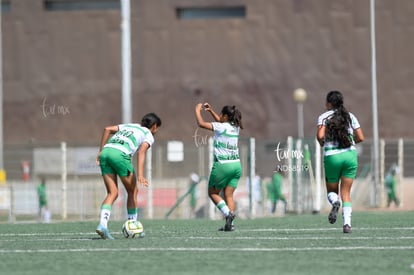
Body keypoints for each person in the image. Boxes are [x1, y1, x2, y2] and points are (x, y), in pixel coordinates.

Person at [95, 113, 162, 240]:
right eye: (157, 128)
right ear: (154, 126)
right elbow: (142, 152)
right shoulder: (148, 134)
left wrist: (100, 151)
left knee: (112, 193)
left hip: (106, 152)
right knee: (133, 191)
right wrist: (141, 175)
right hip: (120, 155)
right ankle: (133, 225)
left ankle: (102, 225)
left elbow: (107, 129)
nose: (156, 131)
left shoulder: (130, 126)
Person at [316, 91, 364, 233]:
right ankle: (347, 224)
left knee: (332, 191)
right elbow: (361, 137)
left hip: (332, 157)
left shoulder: (324, 117)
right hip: (350, 155)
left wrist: (321, 143)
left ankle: (335, 202)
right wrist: (349, 142)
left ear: (330, 104)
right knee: (346, 193)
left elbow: (320, 135)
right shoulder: (350, 116)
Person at [195, 102, 243, 231]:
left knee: (212, 193)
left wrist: (197, 111)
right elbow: (221, 121)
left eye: (221, 114)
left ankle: (228, 214)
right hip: (236, 166)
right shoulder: (235, 127)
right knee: (229, 195)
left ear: (226, 116)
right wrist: (211, 111)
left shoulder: (220, 127)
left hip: (223, 165)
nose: (220, 116)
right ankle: (230, 225)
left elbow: (201, 124)